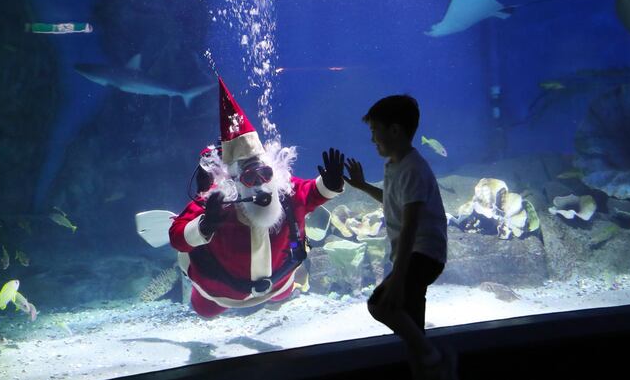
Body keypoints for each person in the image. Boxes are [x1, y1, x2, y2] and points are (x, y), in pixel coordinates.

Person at [169, 77, 345, 317]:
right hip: (223, 291)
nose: (261, 184)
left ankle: (278, 298)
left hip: (281, 280)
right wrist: (204, 225)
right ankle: (204, 301)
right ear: (234, 182)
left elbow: (312, 192)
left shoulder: (285, 190)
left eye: (264, 173)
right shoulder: (218, 202)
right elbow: (178, 237)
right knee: (205, 310)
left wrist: (330, 184)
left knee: (283, 294)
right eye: (250, 178)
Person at [342, 95, 457, 380]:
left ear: (394, 131)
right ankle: (431, 369)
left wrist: (397, 277)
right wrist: (362, 186)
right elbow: (392, 202)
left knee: (380, 304)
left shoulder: (414, 169)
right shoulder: (395, 165)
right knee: (412, 328)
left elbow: (410, 225)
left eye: (374, 131)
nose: (372, 140)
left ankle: (436, 357)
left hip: (424, 254)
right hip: (413, 255)